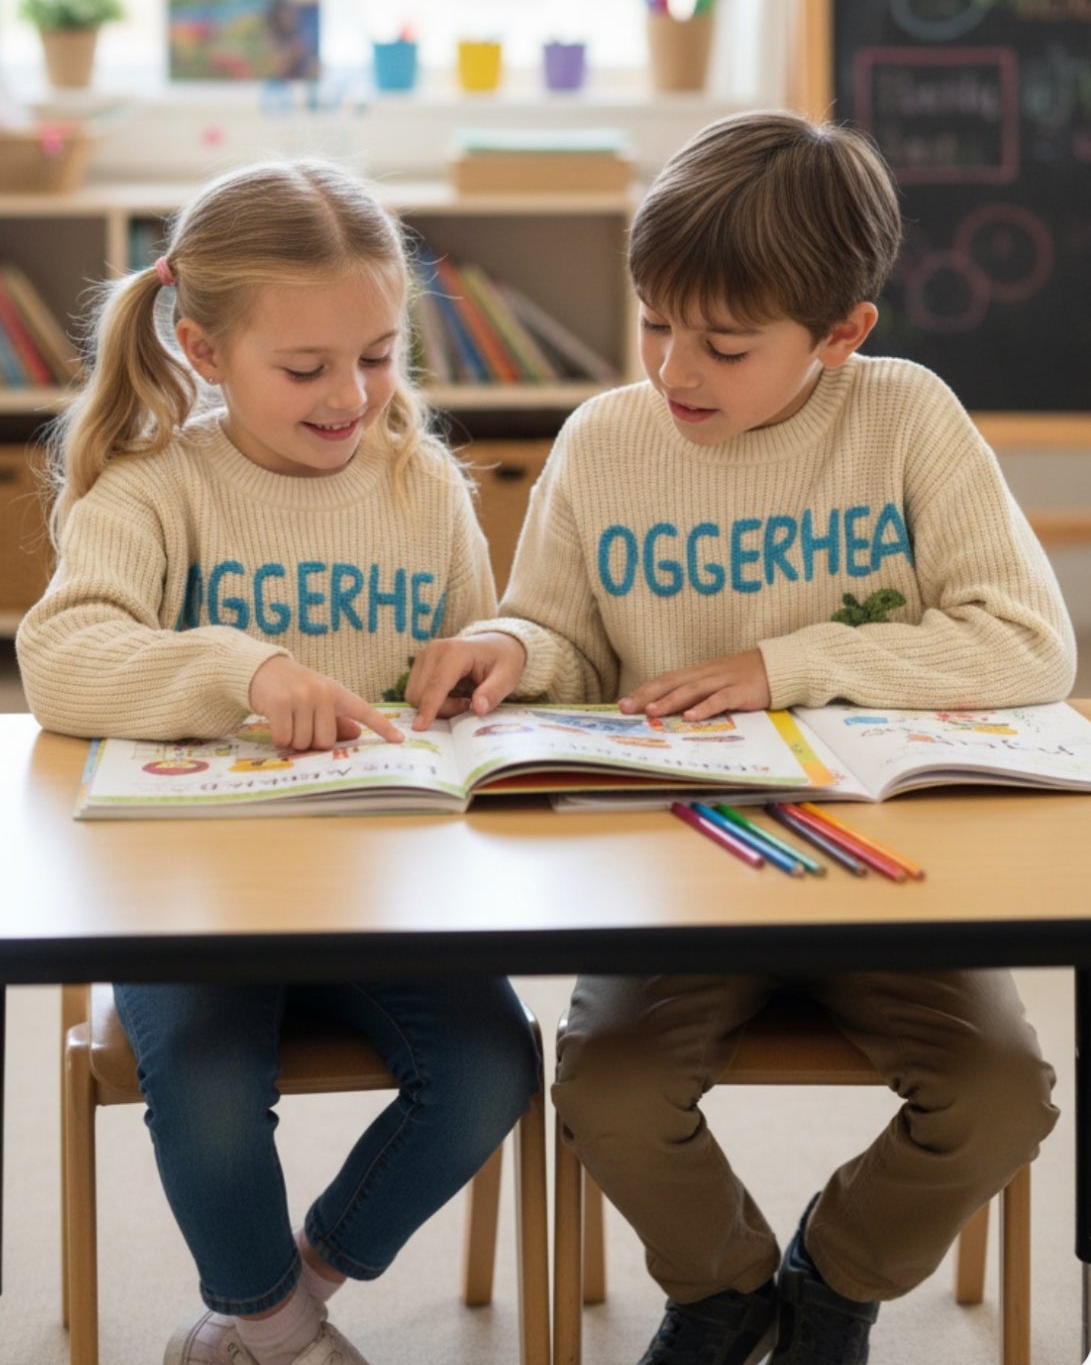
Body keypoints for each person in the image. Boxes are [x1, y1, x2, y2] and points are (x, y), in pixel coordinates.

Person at [404, 111, 1075, 1365]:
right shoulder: (605, 440)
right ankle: (720, 1290)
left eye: (721, 342)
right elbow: (564, 638)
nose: (673, 369)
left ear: (840, 334)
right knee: (605, 1086)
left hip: (889, 877)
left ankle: (831, 1275)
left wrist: (788, 666)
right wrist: (511, 646)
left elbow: (1026, 642)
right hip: (681, 867)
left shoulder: (906, 418)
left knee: (998, 1097)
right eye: (654, 321)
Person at [17, 158, 540, 1365]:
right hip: (192, 897)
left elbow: (475, 654)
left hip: (388, 894)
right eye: (304, 368)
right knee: (202, 1096)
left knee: (488, 1067)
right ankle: (274, 1329)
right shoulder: (154, 486)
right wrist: (240, 671)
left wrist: (492, 656)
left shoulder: (421, 485)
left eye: (377, 353)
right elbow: (61, 658)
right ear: (201, 348)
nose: (350, 394)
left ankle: (279, 1296)